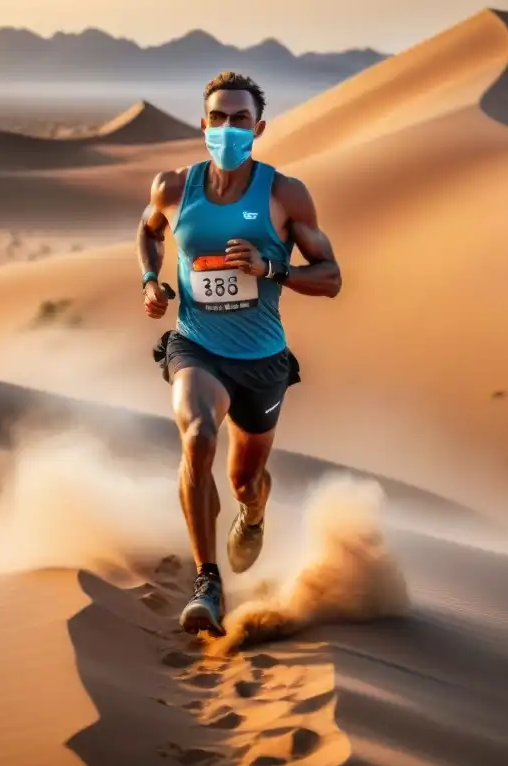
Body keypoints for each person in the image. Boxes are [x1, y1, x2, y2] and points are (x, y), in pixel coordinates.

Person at [137, 71, 342, 636]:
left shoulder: (285, 194)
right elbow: (149, 231)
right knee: (198, 434)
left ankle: (252, 513)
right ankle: (207, 582)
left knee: (245, 480)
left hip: (263, 361)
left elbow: (331, 278)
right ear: (204, 125)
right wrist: (151, 280)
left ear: (260, 128)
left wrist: (271, 267)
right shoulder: (174, 188)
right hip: (196, 345)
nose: (228, 128)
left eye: (241, 120)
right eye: (219, 118)